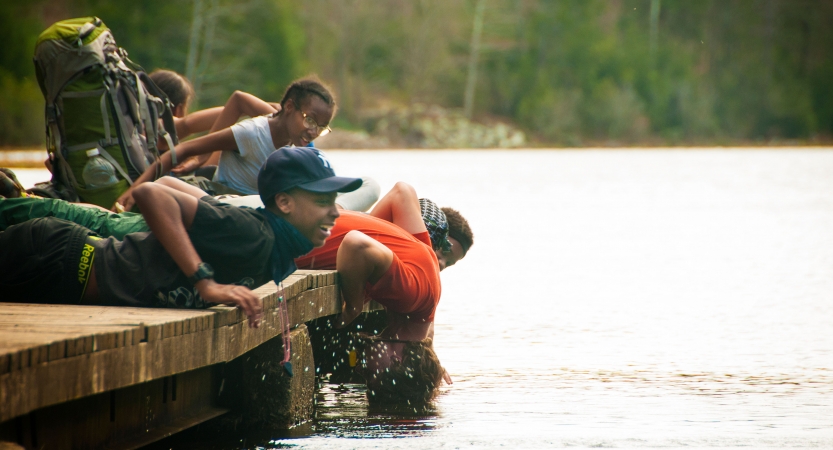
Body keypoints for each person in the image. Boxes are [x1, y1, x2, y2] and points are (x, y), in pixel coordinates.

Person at [0, 147, 362, 328]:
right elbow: (151, 194)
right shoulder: (254, 234)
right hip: (58, 262)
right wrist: (205, 282)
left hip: (64, 269)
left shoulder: (269, 241)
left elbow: (171, 185)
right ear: (283, 202)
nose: (335, 211)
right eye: (322, 201)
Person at [294, 182, 474, 404]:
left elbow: (403, 192)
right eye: (372, 375)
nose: (362, 369)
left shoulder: (425, 287)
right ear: (397, 360)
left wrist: (369, 229)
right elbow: (355, 242)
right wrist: (354, 305)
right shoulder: (409, 296)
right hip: (274, 240)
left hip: (295, 217)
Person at [116, 77, 337, 211]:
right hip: (223, 200)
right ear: (290, 107)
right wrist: (133, 191)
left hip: (255, 206)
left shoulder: (296, 142)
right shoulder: (251, 133)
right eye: (310, 120)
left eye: (321, 127)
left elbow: (271, 110)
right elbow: (184, 148)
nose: (313, 131)